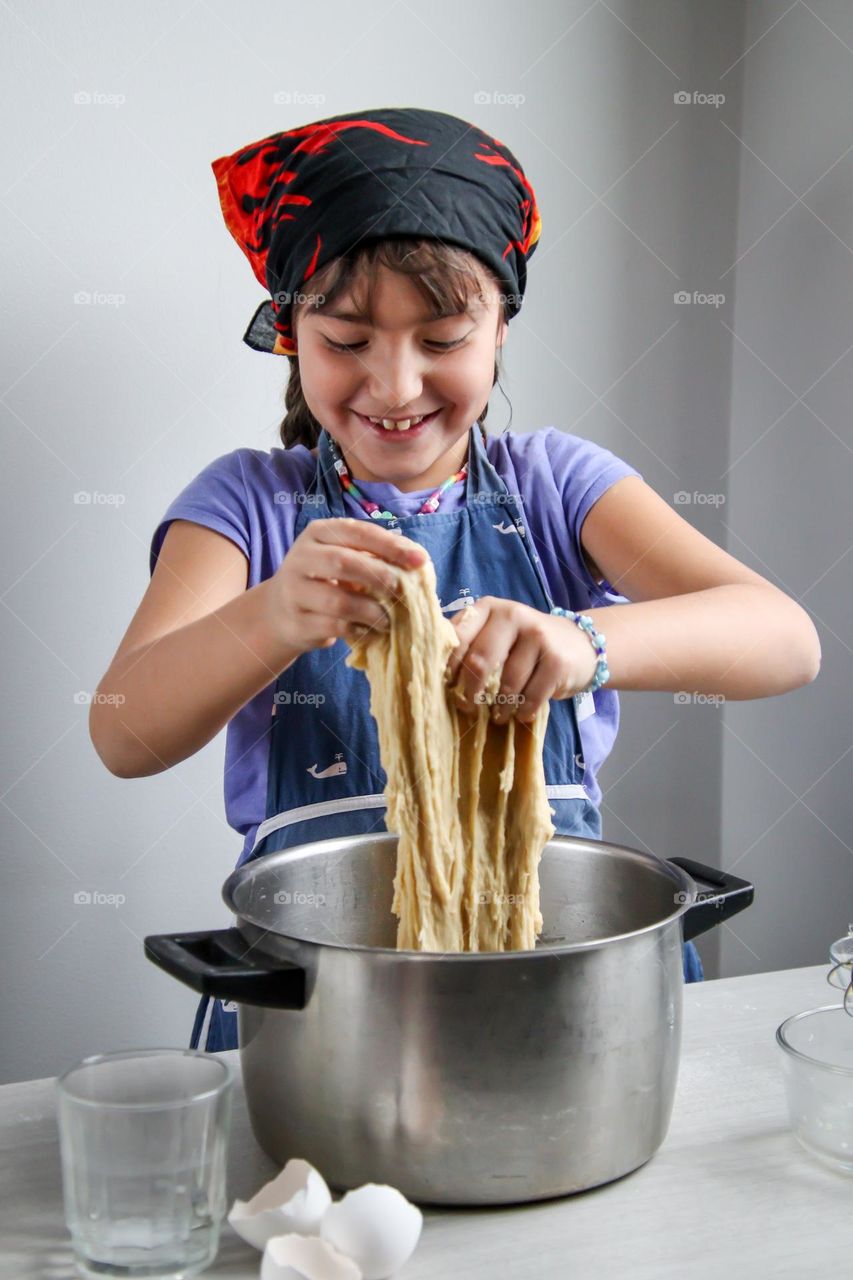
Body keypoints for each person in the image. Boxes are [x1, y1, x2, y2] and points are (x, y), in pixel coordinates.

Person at [90, 108, 821, 1052]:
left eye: (440, 340)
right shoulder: (247, 506)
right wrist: (271, 614)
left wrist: (581, 643)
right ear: (290, 336)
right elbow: (122, 732)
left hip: (545, 969)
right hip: (322, 986)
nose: (394, 387)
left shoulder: (555, 486)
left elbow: (784, 640)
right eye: (346, 342)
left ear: (499, 332)